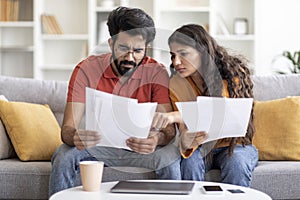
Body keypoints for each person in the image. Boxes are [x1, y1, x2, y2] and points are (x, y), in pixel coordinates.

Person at [49, 6, 181, 197]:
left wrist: (156, 139)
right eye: (123, 49)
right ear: (111, 43)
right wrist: (76, 136)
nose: (129, 57)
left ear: (147, 48)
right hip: (98, 147)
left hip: (140, 149)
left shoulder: (157, 72)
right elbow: (67, 130)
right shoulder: (86, 69)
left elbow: (169, 131)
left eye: (137, 51)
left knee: (169, 158)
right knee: (63, 155)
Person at [151, 24, 258, 187]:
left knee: (236, 163)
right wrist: (185, 141)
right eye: (173, 56)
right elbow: (183, 131)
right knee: (189, 164)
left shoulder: (230, 75)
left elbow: (218, 110)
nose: (176, 61)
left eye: (183, 54)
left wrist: (173, 116)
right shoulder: (175, 84)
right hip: (200, 147)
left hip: (234, 145)